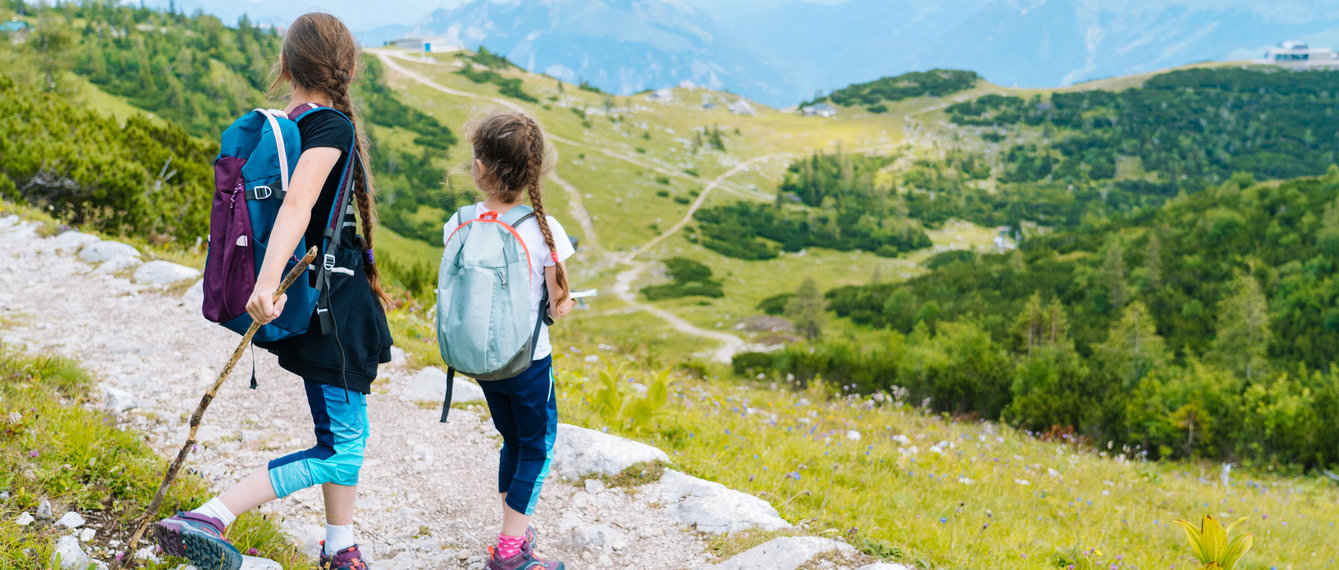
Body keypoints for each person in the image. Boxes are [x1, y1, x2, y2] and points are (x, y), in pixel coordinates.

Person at [153, 12, 393, 570]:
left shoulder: (285, 124)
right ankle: (212, 514)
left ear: (285, 67)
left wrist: (270, 283)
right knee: (343, 446)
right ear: (350, 68)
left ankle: (340, 549)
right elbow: (297, 204)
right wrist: (265, 284)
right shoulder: (330, 126)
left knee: (338, 432)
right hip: (327, 305)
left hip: (306, 301)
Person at [442, 113, 575, 570]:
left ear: (479, 167)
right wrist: (563, 305)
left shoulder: (459, 222)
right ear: (534, 171)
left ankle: (512, 528)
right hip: (528, 363)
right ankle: (511, 549)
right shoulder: (545, 230)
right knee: (536, 445)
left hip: (480, 361)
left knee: (511, 440)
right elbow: (559, 303)